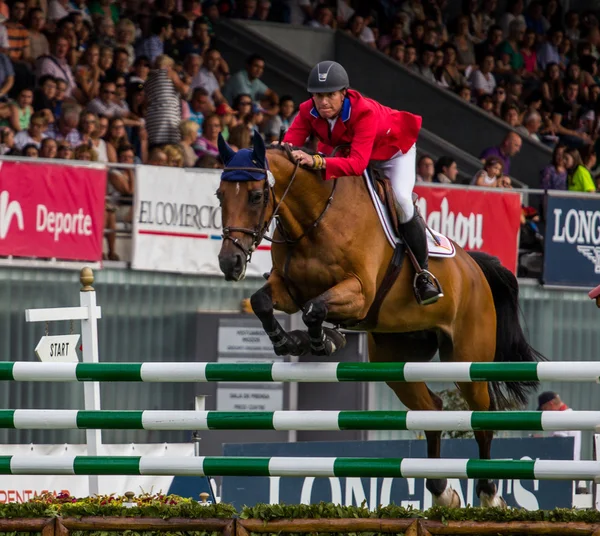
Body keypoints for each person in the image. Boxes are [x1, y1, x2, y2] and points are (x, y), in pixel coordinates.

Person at [282, 60, 442, 306]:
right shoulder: (307, 110)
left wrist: (316, 161)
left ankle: (424, 275)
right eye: (317, 96)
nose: (323, 102)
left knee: (400, 199)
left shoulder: (363, 111)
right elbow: (289, 144)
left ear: (343, 93)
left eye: (330, 95)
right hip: (351, 150)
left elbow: (357, 165)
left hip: (393, 153)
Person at [537, 391, 581, 462]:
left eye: (545, 408)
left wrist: (541, 440)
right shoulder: (571, 414)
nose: (545, 412)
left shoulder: (562, 417)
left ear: (551, 404)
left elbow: (558, 444)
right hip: (571, 464)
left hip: (563, 465)